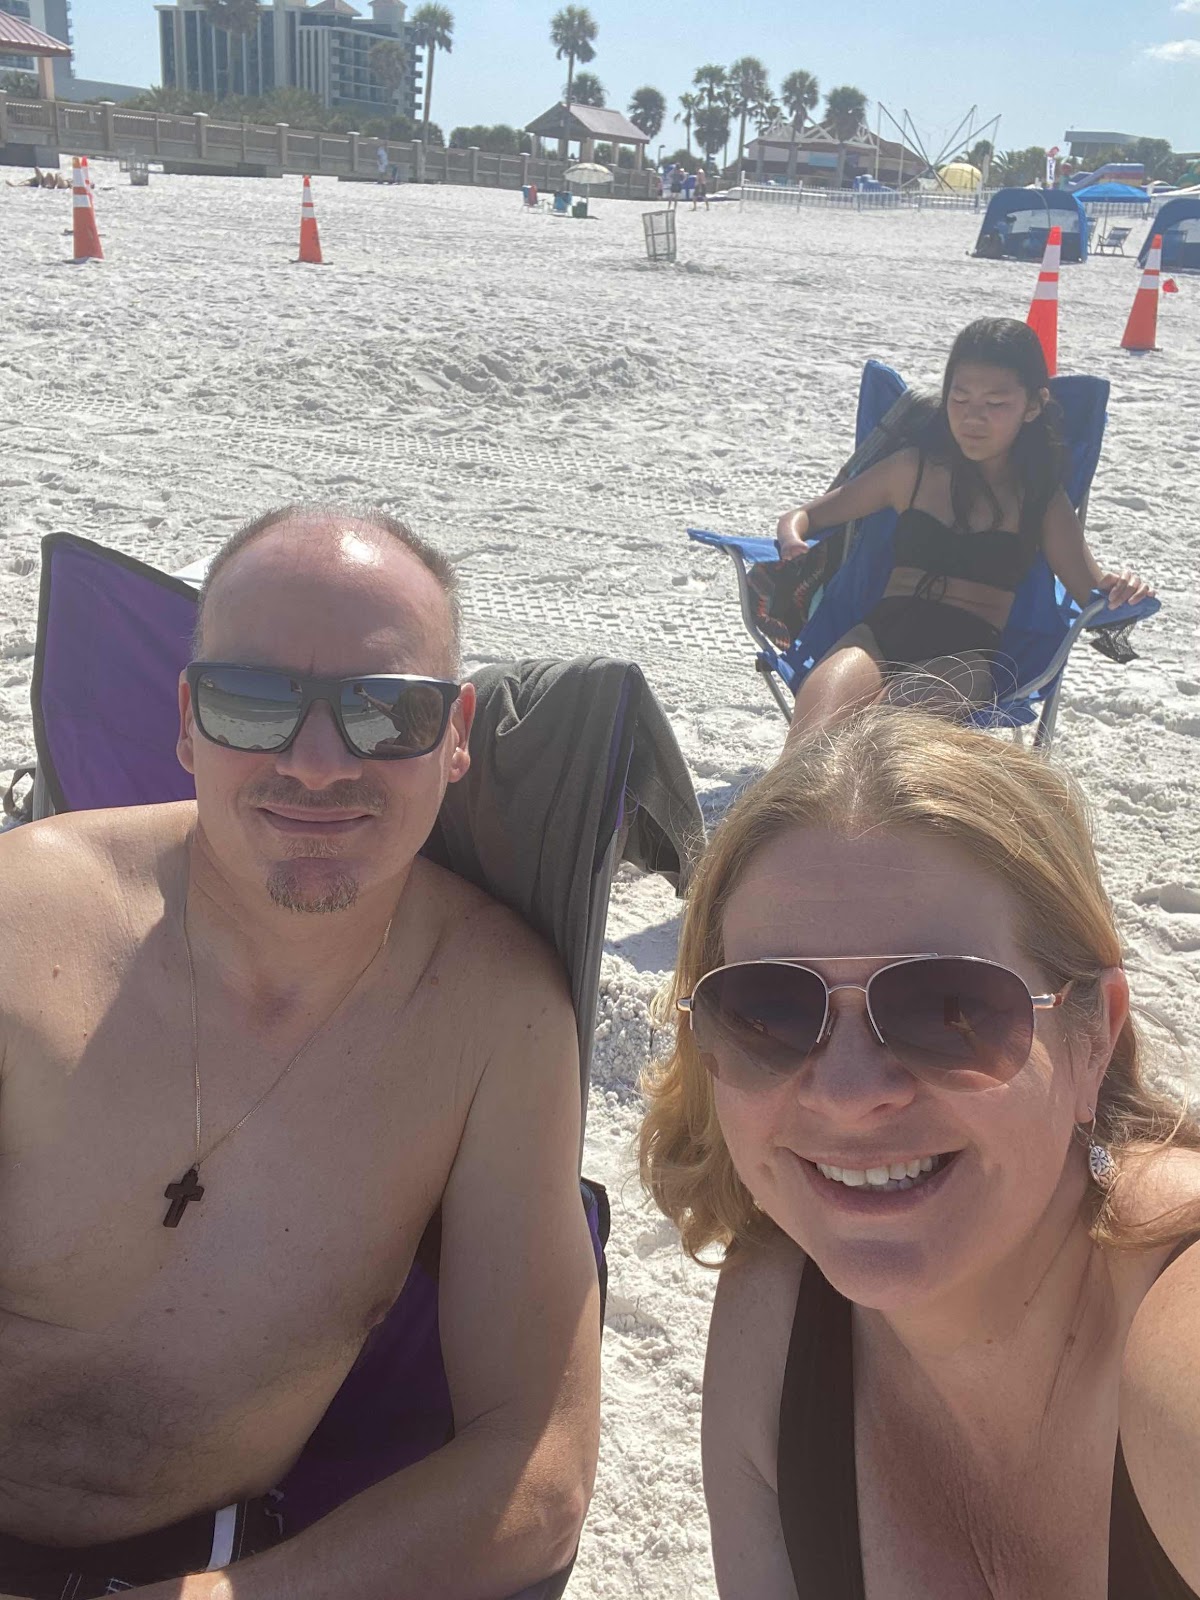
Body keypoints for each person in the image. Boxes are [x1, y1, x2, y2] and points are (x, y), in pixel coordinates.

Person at [0, 505, 600, 1599]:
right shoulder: (25, 923)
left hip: (218, 1564)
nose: (317, 764)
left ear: (455, 734)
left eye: (385, 711)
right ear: (189, 723)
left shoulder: (495, 1018)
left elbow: (538, 1463)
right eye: (253, 701)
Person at [640, 706, 1200, 1599]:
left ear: (1094, 1038)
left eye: (950, 1010)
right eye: (769, 1013)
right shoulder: (772, 1324)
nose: (848, 1092)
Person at [773, 318, 1153, 741]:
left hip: (963, 659)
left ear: (1033, 406)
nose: (973, 418)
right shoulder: (912, 469)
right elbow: (805, 516)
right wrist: (791, 538)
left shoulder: (1040, 500)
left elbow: (1092, 593)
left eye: (996, 403)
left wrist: (1125, 587)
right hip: (873, 638)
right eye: (959, 398)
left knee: (881, 737)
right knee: (811, 737)